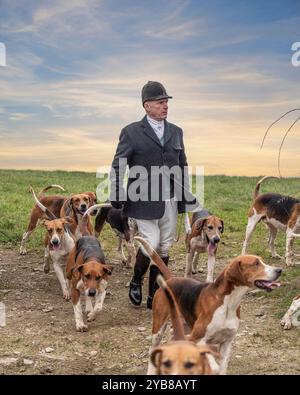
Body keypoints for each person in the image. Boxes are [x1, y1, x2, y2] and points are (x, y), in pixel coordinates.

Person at [109, 81, 198, 309]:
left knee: (165, 247)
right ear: (147, 105)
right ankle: (136, 280)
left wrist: (184, 198)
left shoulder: (176, 132)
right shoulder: (130, 132)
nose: (165, 106)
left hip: (168, 199)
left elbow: (182, 165)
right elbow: (119, 165)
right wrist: (117, 192)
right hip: (141, 199)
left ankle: (154, 294)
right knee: (151, 242)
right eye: (160, 102)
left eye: (166, 102)